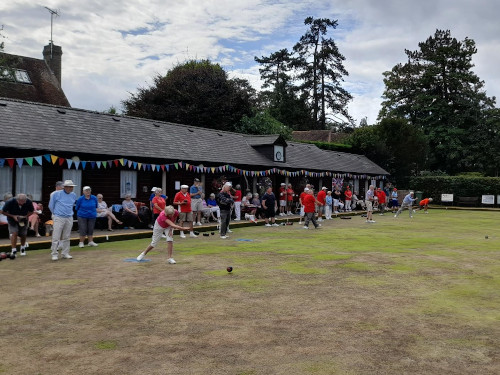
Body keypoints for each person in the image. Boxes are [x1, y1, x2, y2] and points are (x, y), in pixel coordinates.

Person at [49, 180, 77, 260]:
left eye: (72, 187)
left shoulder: (73, 195)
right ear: (65, 187)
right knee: (56, 236)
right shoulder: (56, 194)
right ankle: (54, 254)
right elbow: (51, 206)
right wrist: (55, 214)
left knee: (67, 236)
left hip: (69, 217)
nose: (71, 188)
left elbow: (72, 205)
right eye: (70, 187)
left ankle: (65, 253)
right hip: (59, 217)